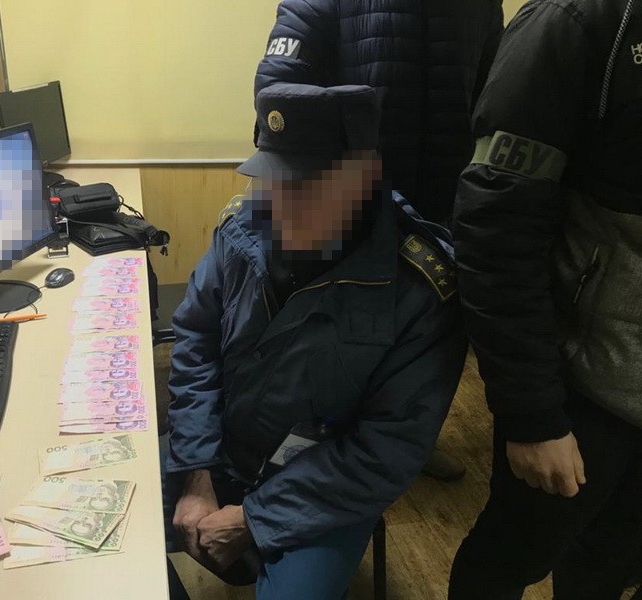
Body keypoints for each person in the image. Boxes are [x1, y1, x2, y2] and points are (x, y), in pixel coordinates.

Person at [163, 82, 468, 599]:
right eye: (270, 181)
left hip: (322, 490)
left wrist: (252, 519)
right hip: (219, 451)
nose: (279, 206)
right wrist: (196, 472)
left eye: (305, 186)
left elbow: (387, 450)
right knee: (99, 521)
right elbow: (196, 339)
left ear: (365, 177)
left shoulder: (419, 288)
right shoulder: (241, 230)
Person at [255, 0, 504, 481]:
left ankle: (408, 441)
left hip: (442, 208)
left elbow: (492, 94)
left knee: (428, 342)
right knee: (340, 341)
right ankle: (318, 459)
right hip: (351, 205)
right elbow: (277, 89)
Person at [448, 1, 642, 598]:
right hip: (582, 389)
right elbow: (495, 228)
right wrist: (532, 416)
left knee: (610, 564)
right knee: (509, 558)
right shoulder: (572, 23)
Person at [254, 0, 504, 225]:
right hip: (344, 219)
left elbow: (491, 108)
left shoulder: (482, 6)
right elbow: (277, 99)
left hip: (448, 222)